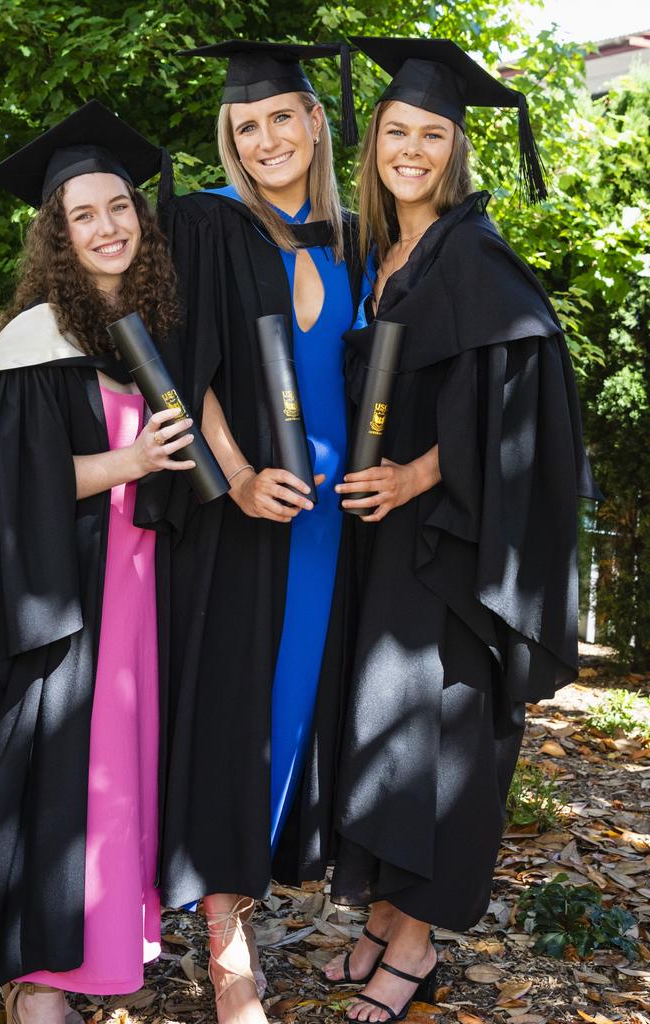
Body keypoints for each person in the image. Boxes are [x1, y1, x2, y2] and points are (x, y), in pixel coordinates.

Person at [320, 38, 600, 1024]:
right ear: (374, 141)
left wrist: (418, 472)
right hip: (379, 539)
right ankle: (384, 907)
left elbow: (519, 396)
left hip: (448, 538)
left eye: (430, 135)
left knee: (439, 734)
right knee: (384, 730)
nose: (411, 149)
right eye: (397, 130)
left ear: (455, 148)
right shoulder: (376, 250)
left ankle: (415, 943)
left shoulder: (474, 255)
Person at [0, 100, 194, 1024]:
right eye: (84, 214)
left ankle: (101, 957)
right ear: (58, 235)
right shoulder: (33, 342)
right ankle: (39, 984)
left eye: (120, 207)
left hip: (135, 590)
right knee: (62, 781)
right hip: (61, 603)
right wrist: (136, 461)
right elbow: (9, 487)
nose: (108, 226)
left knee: (119, 778)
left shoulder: (138, 331)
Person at [157, 39, 366, 1024]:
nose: (267, 137)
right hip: (241, 517)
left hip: (329, 530)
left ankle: (247, 890)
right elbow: (178, 363)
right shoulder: (205, 222)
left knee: (288, 715)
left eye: (284, 115)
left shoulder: (352, 237)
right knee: (230, 711)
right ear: (229, 140)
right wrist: (234, 476)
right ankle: (226, 945)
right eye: (247, 125)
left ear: (318, 121)